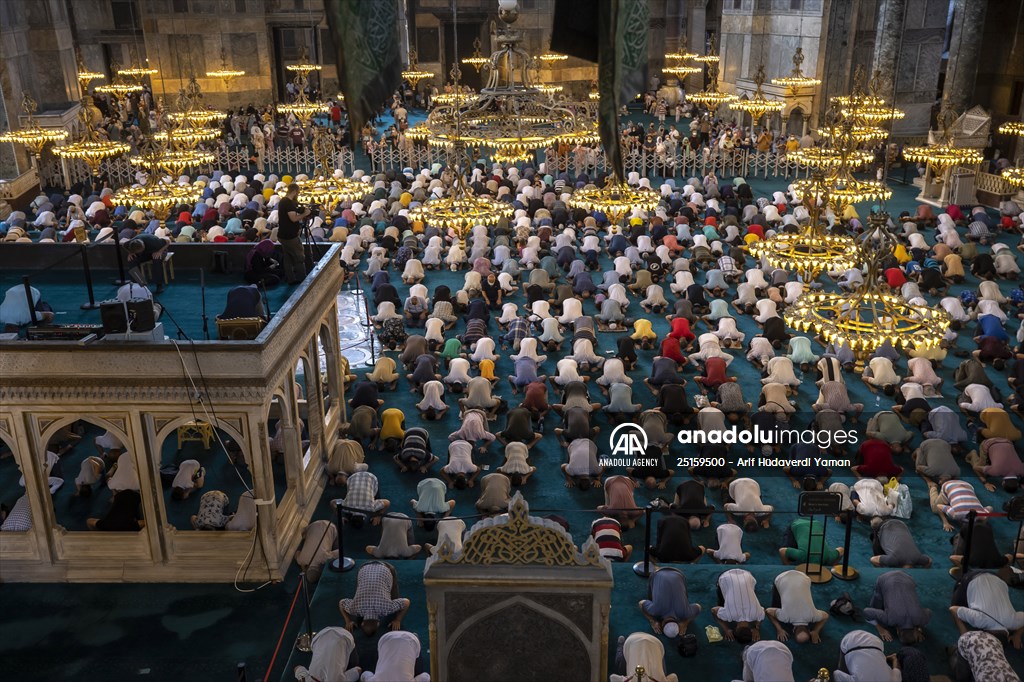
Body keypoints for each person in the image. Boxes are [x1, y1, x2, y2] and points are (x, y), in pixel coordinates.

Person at [949, 570, 1024, 647]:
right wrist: (965, 636)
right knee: (956, 605)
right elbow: (953, 609)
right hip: (972, 577)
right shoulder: (980, 620)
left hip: (998, 578)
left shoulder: (1013, 622)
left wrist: (1017, 635)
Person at [338, 561, 410, 635]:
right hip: (363, 567)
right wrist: (348, 621)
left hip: (387, 568)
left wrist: (397, 620)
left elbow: (406, 602)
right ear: (362, 623)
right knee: (360, 588)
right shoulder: (354, 609)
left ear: (378, 623)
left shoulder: (387, 609)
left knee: (394, 598)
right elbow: (341, 602)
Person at [862, 571, 930, 644]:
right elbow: (866, 611)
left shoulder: (922, 619)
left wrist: (919, 627)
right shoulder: (890, 620)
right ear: (897, 632)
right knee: (875, 607)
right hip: (885, 578)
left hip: (908, 578)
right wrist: (880, 628)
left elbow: (929, 612)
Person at [765, 570, 828, 644]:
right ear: (793, 630)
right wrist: (779, 629)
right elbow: (768, 611)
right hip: (781, 578)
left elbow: (825, 615)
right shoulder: (785, 617)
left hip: (803, 577)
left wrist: (815, 631)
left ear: (808, 630)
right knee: (776, 606)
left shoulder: (813, 616)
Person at [639, 567, 701, 637]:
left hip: (679, 574)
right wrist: (652, 621)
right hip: (656, 573)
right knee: (650, 598)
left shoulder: (685, 613)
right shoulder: (655, 610)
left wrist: (685, 622)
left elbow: (698, 607)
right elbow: (641, 603)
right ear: (662, 625)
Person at [711, 568, 764, 644]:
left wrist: (756, 627)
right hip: (725, 576)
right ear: (736, 629)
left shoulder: (757, 614)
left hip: (748, 575)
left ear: (751, 630)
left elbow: (763, 612)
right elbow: (713, 610)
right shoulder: (728, 615)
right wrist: (726, 629)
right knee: (721, 604)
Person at [293, 626, 361, 682]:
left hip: (345, 636)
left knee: (354, 664)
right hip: (321, 634)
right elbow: (297, 667)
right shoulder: (305, 679)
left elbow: (358, 669)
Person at [359, 630, 429, 682]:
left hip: (410, 639)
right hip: (385, 639)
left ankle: (414, 637)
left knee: (418, 672)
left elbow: (426, 676)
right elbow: (365, 674)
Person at [277, 183, 312, 284]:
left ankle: (291, 279)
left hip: (282, 235)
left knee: (288, 258)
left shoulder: (283, 201)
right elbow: (293, 218)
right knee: (299, 257)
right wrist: (305, 214)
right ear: (294, 191)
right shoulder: (288, 203)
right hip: (290, 236)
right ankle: (303, 280)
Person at [609, 632, 678, 682]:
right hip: (632, 641)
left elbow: (674, 676)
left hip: (656, 642)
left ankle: (621, 645)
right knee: (620, 670)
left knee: (663, 672)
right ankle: (621, 645)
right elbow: (612, 677)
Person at [834, 630, 900, 682]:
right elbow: (836, 674)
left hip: (876, 642)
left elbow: (896, 663)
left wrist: (893, 658)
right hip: (851, 640)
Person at [779, 518, 843, 566]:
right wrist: (787, 566)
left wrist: (833, 565)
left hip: (817, 523)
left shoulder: (827, 557)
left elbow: (841, 550)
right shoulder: (803, 556)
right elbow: (782, 551)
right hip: (797, 524)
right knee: (790, 558)